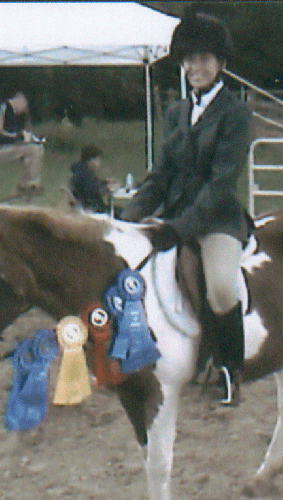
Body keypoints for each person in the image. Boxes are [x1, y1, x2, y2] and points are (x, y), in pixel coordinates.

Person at [121, 12, 251, 406]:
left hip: (217, 218)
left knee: (221, 287)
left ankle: (230, 370)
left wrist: (180, 227)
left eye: (204, 59)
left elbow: (221, 183)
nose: (196, 67)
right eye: (189, 60)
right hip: (175, 214)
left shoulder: (235, 113)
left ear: (220, 63)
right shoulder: (176, 112)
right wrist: (129, 217)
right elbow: (161, 174)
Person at [0, 91, 45, 192]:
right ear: (20, 98)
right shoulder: (4, 108)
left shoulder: (10, 113)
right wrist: (20, 137)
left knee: (36, 148)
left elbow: (9, 136)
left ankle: (27, 185)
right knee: (34, 149)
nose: (24, 109)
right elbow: (0, 133)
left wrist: (24, 138)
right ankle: (28, 185)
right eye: (25, 105)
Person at [69, 145, 116, 213]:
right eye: (98, 159)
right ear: (92, 160)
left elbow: (90, 184)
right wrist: (108, 188)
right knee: (118, 211)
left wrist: (104, 182)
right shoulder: (86, 173)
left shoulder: (79, 169)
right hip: (91, 208)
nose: (99, 162)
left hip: (81, 204)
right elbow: (94, 191)